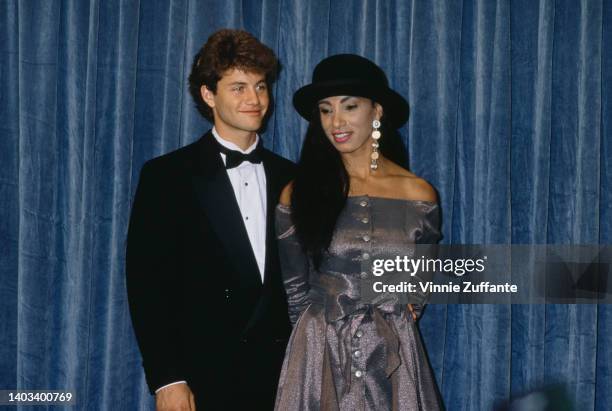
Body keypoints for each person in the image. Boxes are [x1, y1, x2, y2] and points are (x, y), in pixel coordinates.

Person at [126, 29, 295, 411]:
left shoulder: (294, 177)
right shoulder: (167, 176)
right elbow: (147, 285)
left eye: (261, 86)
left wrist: (399, 288)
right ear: (208, 94)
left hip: (285, 379)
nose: (255, 100)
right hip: (204, 379)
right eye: (238, 88)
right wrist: (167, 378)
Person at [274, 54, 443, 410]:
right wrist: (315, 347)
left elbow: (420, 283)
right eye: (325, 110)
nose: (336, 121)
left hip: (393, 355)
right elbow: (295, 291)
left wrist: (402, 307)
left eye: (349, 106)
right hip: (320, 352)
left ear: (377, 111)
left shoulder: (420, 195)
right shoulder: (297, 194)